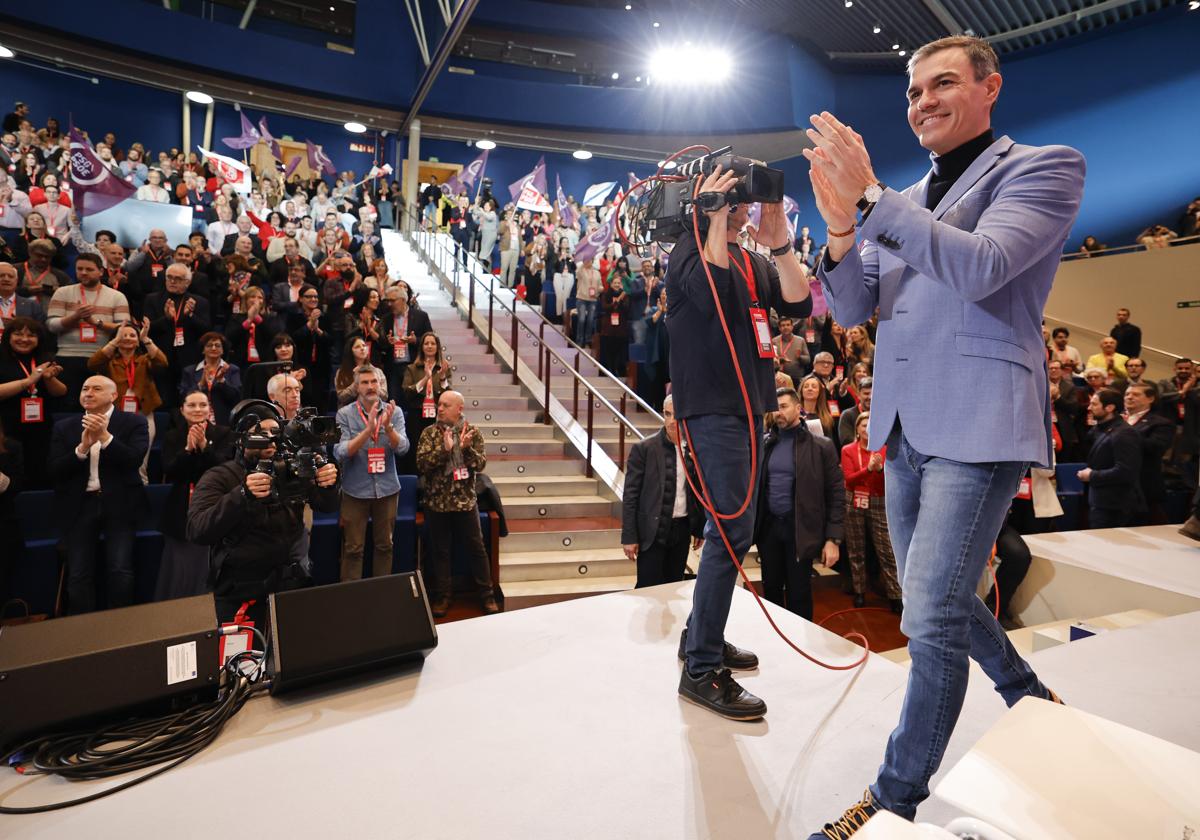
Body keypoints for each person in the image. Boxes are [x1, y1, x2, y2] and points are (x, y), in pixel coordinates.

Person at [805, 35, 1079, 832]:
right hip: (903, 422)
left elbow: (986, 266)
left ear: (990, 88)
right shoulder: (905, 199)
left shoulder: (1044, 167)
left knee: (927, 614)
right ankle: (1027, 692)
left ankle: (894, 797)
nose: (922, 100)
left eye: (942, 84)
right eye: (914, 90)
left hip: (981, 419)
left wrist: (869, 205)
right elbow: (855, 309)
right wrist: (833, 234)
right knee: (940, 596)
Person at [665, 159, 812, 721]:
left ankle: (700, 634)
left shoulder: (752, 260)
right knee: (732, 531)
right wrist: (710, 218)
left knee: (730, 529)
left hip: (752, 407)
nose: (746, 202)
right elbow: (709, 290)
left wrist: (779, 246)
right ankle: (701, 670)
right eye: (736, 194)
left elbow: (799, 302)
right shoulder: (687, 252)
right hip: (714, 411)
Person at [187, 402, 340, 625]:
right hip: (240, 593)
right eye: (260, 432)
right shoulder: (219, 476)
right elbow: (197, 530)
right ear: (241, 439)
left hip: (291, 588)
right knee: (244, 659)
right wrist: (242, 495)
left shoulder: (292, 468)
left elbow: (327, 506)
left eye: (275, 431)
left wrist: (328, 485)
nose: (270, 438)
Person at [49, 375, 148, 613]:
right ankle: (84, 630)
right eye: (84, 388)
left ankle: (119, 627)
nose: (88, 393)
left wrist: (105, 437)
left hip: (120, 504)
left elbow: (133, 461)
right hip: (80, 504)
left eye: (96, 388)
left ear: (113, 395)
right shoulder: (65, 426)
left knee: (120, 569)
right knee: (79, 573)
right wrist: (81, 448)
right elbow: (54, 469)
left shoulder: (134, 422)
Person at [754, 387, 843, 620]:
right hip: (769, 528)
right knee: (770, 589)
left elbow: (835, 493)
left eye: (783, 407)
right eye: (774, 408)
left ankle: (800, 648)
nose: (778, 413)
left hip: (801, 529)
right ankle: (774, 643)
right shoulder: (765, 444)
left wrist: (832, 539)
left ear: (798, 408)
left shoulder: (821, 446)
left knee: (799, 593)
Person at [415, 389, 499, 617]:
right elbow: (421, 465)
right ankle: (443, 596)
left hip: (464, 503)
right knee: (440, 551)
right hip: (436, 504)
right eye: (439, 405)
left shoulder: (472, 432)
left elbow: (480, 465)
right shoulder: (429, 433)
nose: (439, 408)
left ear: (459, 408)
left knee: (477, 549)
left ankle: (487, 595)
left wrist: (465, 448)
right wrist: (445, 450)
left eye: (445, 405)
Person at [621, 394, 705, 588]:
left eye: (677, 415)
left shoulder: (695, 448)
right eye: (668, 414)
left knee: (674, 586)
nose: (672, 420)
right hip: (652, 531)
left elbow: (698, 491)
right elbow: (630, 495)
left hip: (682, 529)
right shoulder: (644, 448)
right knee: (647, 588)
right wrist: (629, 536)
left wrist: (699, 527)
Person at [156, 390, 233, 600]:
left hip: (216, 506)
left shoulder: (224, 434)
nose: (197, 410)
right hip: (181, 508)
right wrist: (188, 450)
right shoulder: (173, 435)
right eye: (191, 405)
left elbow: (225, 469)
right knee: (180, 569)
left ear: (210, 409)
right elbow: (169, 471)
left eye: (202, 405)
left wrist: (204, 447)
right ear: (182, 410)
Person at [334, 366, 409, 581]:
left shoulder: (395, 412)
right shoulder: (345, 414)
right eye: (365, 383)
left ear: (380, 384)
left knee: (385, 546)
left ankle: (380, 595)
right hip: (355, 491)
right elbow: (340, 452)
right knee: (353, 549)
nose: (370, 387)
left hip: (387, 489)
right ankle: (351, 596)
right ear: (357, 387)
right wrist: (367, 431)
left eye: (374, 382)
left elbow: (403, 448)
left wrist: (389, 428)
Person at [87, 320, 167, 483]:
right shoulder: (110, 362)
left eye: (133, 335)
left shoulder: (145, 360)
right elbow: (92, 364)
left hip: (143, 414)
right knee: (115, 452)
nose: (128, 338)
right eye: (123, 335)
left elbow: (162, 363)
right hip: (116, 414)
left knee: (141, 459)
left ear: (138, 341)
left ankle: (141, 485)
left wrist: (146, 339)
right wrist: (115, 341)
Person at [46, 253, 131, 403]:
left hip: (102, 357)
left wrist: (95, 322)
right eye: (80, 269)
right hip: (67, 356)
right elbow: (51, 325)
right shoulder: (63, 292)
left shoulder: (117, 296)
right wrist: (75, 316)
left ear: (101, 271)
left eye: (89, 269)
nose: (83, 272)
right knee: (68, 404)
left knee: (98, 404)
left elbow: (124, 329)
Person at [841, 411, 903, 612]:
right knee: (856, 548)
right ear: (857, 429)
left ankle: (895, 595)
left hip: (879, 501)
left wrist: (879, 470)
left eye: (870, 425)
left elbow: (893, 481)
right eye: (862, 425)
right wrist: (867, 469)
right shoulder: (848, 450)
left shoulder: (885, 450)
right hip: (854, 501)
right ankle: (859, 591)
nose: (866, 429)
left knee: (886, 550)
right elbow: (849, 480)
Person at [0, 317, 64, 488]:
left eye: (31, 335)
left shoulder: (47, 358)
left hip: (40, 428)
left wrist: (50, 379)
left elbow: (61, 392)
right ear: (8, 336)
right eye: (18, 334)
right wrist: (27, 382)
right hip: (6, 428)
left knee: (39, 473)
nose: (24, 339)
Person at [1078, 388, 1143, 529]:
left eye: (1094, 404)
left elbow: (1126, 471)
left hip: (1115, 505)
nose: (1089, 408)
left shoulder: (1124, 433)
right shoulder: (1099, 429)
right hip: (1099, 500)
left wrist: (1092, 475)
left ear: (1109, 408)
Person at [1123, 383, 1174, 525]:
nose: (1130, 397)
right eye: (1127, 394)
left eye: (1136, 394)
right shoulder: (1114, 420)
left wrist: (1125, 430)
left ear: (1150, 399)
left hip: (1143, 483)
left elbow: (1156, 447)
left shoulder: (1161, 423)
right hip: (1117, 483)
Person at [179, 332, 242, 425]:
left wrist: (222, 381)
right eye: (209, 345)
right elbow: (183, 396)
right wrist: (201, 383)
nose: (213, 348)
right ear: (203, 350)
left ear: (223, 350)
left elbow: (236, 397)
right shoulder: (189, 371)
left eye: (217, 345)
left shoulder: (232, 369)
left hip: (224, 421)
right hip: (195, 419)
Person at [597, 275, 630, 376]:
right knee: (608, 350)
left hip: (621, 328)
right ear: (611, 284)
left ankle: (617, 370)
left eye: (618, 283)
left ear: (621, 285)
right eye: (614, 283)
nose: (616, 285)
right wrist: (614, 303)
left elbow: (627, 309)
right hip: (608, 328)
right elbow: (604, 307)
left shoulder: (625, 296)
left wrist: (620, 300)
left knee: (619, 351)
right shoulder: (606, 294)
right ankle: (609, 369)